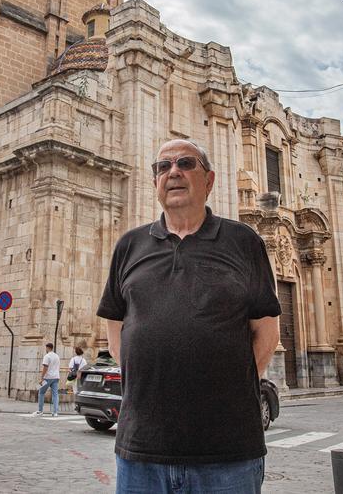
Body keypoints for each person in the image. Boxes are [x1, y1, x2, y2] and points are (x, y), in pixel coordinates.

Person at [97, 139, 281, 493]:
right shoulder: (129, 246)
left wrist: (229, 384)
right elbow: (115, 324)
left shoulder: (243, 242)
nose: (173, 172)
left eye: (185, 163)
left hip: (228, 453)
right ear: (155, 183)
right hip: (141, 452)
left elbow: (267, 333)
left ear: (209, 180)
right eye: (162, 167)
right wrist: (144, 378)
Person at [34, 342, 61, 417]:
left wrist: (42, 378)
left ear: (48, 348)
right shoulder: (57, 356)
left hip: (47, 377)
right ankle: (55, 412)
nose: (45, 349)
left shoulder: (47, 356)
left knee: (41, 392)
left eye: (46, 348)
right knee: (55, 394)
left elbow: (45, 367)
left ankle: (40, 411)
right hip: (56, 377)